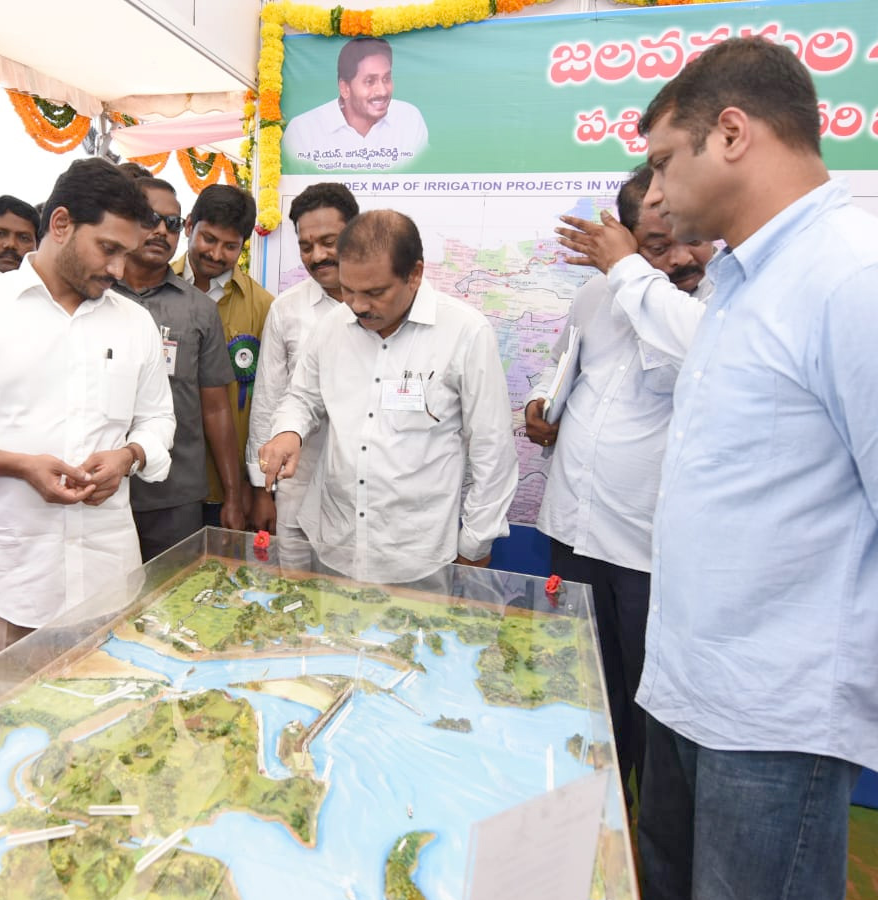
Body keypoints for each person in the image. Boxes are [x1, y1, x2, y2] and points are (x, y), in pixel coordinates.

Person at [628, 37, 878, 900]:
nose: (653, 193)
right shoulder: (739, 277)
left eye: (664, 161)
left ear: (730, 133)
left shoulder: (852, 276)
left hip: (775, 724)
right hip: (686, 688)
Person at [0, 159, 175, 666]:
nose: (117, 270)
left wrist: (129, 456)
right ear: (61, 224)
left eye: (125, 255)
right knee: (5, 736)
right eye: (108, 249)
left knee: (107, 728)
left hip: (108, 573)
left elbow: (158, 422)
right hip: (7, 577)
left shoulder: (135, 323)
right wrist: (17, 464)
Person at [523, 165, 714, 803]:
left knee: (648, 715)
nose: (682, 257)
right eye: (656, 246)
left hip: (649, 552)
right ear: (626, 238)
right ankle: (583, 816)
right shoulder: (594, 296)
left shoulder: (716, 306)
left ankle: (636, 834)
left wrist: (639, 277)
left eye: (689, 237)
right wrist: (539, 403)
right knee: (576, 697)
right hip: (574, 534)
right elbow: (561, 369)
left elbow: (682, 367)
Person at [258, 210, 517, 583]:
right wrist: (288, 432)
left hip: (419, 556)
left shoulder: (465, 332)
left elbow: (492, 449)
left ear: (415, 274)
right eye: (348, 290)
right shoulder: (332, 327)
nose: (359, 306)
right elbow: (302, 397)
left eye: (375, 293)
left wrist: (475, 545)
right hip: (337, 543)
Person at [115, 177, 242, 559]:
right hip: (98, 491)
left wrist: (234, 496)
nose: (160, 231)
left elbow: (217, 407)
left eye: (171, 223)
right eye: (149, 218)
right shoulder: (93, 295)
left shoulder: (199, 308)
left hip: (175, 495)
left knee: (173, 609)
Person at [246, 183, 359, 545]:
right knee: (295, 595)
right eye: (306, 246)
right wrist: (263, 490)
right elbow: (268, 401)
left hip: (368, 496)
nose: (317, 256)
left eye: (329, 241)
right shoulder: (287, 309)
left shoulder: (388, 309)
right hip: (299, 485)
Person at [175, 184, 273, 526]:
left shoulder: (262, 307)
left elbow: (267, 402)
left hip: (229, 488)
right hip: (164, 481)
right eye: (209, 239)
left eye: (230, 246)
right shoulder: (151, 290)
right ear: (189, 226)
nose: (216, 254)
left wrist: (255, 486)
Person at [283, 36, 428, 171]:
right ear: (344, 88)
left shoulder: (409, 119)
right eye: (370, 81)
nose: (382, 91)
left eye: (386, 79)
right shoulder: (302, 131)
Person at [0, 194, 39, 273]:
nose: (11, 244)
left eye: (24, 238)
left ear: (38, 247)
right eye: (0, 234)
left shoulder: (49, 285)